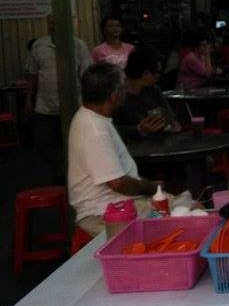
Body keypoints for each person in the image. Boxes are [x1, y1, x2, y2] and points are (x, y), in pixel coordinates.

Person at [67, 63, 165, 236]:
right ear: (114, 96)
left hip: (116, 204)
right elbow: (118, 184)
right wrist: (149, 188)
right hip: (103, 212)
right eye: (123, 88)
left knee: (191, 208)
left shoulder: (94, 117)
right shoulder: (94, 129)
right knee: (188, 215)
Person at [24, 13, 93, 181]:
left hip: (73, 106)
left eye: (58, 23)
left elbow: (86, 75)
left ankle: (72, 176)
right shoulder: (39, 45)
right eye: (51, 23)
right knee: (43, 143)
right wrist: (29, 99)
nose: (54, 26)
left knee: (74, 144)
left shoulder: (78, 45)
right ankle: (60, 170)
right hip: (44, 107)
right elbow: (32, 74)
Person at [114, 47, 181, 140]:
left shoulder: (154, 91)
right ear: (146, 73)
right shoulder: (116, 95)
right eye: (158, 72)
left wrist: (173, 124)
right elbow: (111, 129)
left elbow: (171, 118)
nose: (159, 76)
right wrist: (139, 130)